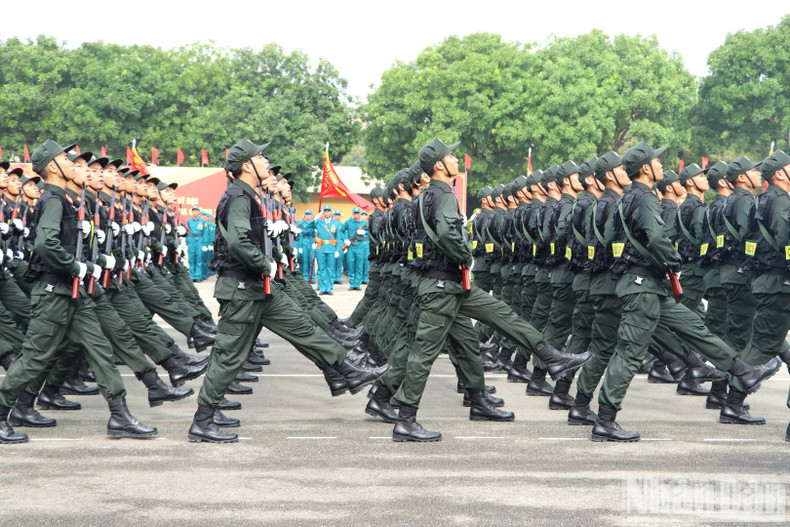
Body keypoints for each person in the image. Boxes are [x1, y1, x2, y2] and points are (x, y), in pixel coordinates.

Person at [187, 139, 389, 443]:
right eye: (260, 156)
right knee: (229, 354)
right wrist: (265, 264)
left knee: (303, 326)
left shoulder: (248, 196)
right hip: (242, 289)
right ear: (246, 166)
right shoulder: (239, 197)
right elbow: (238, 243)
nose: (266, 161)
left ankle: (345, 370)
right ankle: (203, 420)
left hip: (258, 287)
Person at [390, 138, 591, 442]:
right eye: (451, 156)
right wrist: (463, 254)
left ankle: (547, 358)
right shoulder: (443, 195)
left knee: (496, 320)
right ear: (440, 166)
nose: (456, 160)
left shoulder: (425, 196)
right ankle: (405, 419)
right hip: (442, 287)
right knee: (424, 353)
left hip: (450, 285)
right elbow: (445, 232)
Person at [591, 141, 781, 442]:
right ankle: (605, 420)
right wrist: (673, 260)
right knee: (629, 352)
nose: (660, 166)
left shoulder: (628, 199)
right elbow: (654, 236)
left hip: (648, 286)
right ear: (645, 168)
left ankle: (741, 370)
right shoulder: (644, 199)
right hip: (642, 287)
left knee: (694, 327)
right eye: (656, 161)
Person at [0, 140, 156, 443]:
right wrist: (76, 267)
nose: (71, 163)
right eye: (64, 159)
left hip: (72, 292)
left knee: (99, 350)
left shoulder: (64, 199)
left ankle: (120, 415)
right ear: (52, 168)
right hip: (54, 291)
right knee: (34, 357)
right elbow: (45, 244)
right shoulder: (54, 199)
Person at [340, 207, 367, 290]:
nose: (356, 215)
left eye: (357, 213)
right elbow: (341, 231)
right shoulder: (348, 222)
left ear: (360, 214)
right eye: (354, 213)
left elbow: (370, 233)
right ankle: (352, 284)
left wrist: (364, 233)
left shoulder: (364, 223)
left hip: (360, 245)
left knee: (359, 265)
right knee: (351, 264)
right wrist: (345, 240)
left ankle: (357, 284)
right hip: (351, 246)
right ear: (352, 214)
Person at [186, 206, 206, 281]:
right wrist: (187, 242)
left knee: (199, 257)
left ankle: (198, 276)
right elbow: (188, 231)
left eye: (196, 211)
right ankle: (192, 276)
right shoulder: (189, 221)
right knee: (191, 258)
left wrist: (204, 244)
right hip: (191, 239)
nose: (195, 212)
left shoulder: (203, 221)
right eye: (193, 211)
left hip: (200, 239)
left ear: (199, 212)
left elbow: (205, 232)